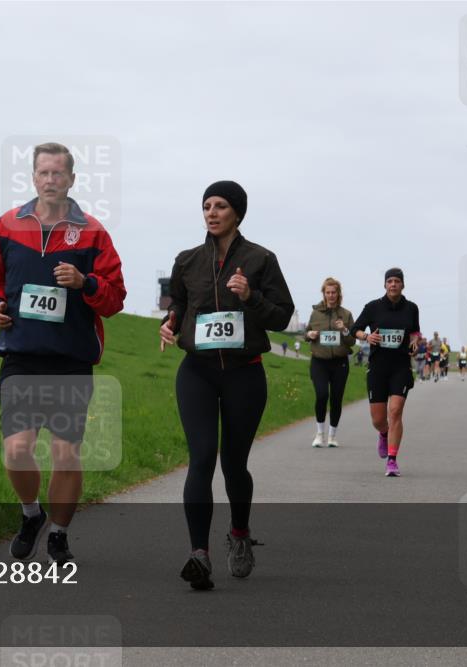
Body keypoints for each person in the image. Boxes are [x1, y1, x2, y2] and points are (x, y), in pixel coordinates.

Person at [0, 142, 126, 567]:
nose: (50, 180)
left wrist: (85, 283)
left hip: (70, 360)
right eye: (43, 172)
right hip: (21, 356)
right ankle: (32, 514)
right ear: (33, 177)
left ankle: (59, 535)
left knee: (64, 453)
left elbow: (115, 298)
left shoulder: (93, 233)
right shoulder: (7, 225)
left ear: (72, 179)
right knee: (16, 450)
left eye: (58, 173)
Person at [159, 180, 293, 590]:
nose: (212, 213)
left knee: (233, 464)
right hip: (197, 371)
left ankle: (239, 532)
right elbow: (180, 304)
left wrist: (250, 296)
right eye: (206, 206)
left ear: (237, 212)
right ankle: (199, 554)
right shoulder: (187, 260)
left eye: (220, 206)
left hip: (243, 372)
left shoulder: (261, 259)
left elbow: (281, 316)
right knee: (201, 458)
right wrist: (170, 323)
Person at [350, 268, 421, 477]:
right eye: (389, 281)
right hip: (378, 368)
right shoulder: (372, 307)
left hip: (401, 366)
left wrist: (415, 340)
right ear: (384, 285)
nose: (393, 284)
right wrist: (366, 337)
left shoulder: (411, 308)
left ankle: (392, 460)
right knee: (378, 419)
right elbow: (354, 329)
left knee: (395, 411)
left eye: (397, 281)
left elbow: (415, 331)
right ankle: (383, 433)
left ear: (403, 285)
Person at [304, 278, 355, 447]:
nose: (331, 295)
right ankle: (319, 434)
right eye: (328, 292)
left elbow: (352, 341)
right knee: (322, 395)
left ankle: (332, 436)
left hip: (340, 363)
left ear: (338, 294)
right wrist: (309, 334)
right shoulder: (316, 313)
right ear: (324, 294)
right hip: (319, 361)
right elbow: (306, 333)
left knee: (336, 399)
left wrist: (344, 330)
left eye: (334, 292)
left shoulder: (346, 314)